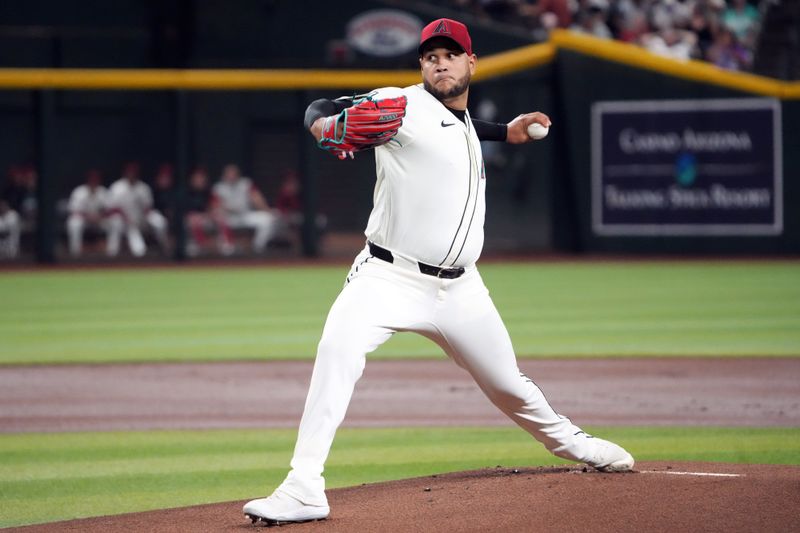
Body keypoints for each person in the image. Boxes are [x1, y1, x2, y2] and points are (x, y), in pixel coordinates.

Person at [243, 18, 634, 526]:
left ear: (471, 63)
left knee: (508, 384)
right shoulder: (399, 105)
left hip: (461, 291)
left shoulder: (465, 122)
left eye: (451, 54)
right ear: (421, 65)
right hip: (388, 277)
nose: (440, 62)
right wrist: (324, 124)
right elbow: (324, 114)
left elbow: (458, 130)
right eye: (431, 56)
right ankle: (303, 486)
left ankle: (574, 443)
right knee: (337, 350)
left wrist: (506, 132)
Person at [211, 164, 277, 254]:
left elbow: (256, 198)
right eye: (229, 174)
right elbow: (215, 206)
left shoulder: (245, 183)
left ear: (238, 174)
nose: (231, 176)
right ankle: (227, 248)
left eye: (233, 174)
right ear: (224, 175)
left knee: (269, 218)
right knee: (220, 219)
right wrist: (225, 210)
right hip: (229, 217)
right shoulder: (219, 187)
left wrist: (266, 209)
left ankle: (257, 246)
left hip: (245, 215)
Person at [106, 162, 169, 257]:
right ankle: (112, 253)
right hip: (125, 222)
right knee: (139, 250)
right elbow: (112, 209)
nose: (131, 174)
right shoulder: (117, 187)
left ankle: (165, 248)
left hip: (140, 219)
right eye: (129, 172)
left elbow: (148, 208)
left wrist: (143, 217)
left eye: (133, 172)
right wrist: (127, 219)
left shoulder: (143, 187)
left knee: (159, 221)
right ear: (125, 173)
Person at [185, 166, 235, 256]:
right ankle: (199, 245)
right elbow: (183, 211)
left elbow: (215, 205)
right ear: (192, 179)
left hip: (206, 218)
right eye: (197, 178)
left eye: (201, 177)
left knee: (220, 216)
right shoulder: (186, 192)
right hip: (190, 221)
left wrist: (210, 213)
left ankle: (227, 244)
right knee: (193, 219)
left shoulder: (208, 191)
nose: (199, 180)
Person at [65, 169, 112, 256]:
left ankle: (112, 253)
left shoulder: (103, 192)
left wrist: (100, 216)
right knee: (74, 223)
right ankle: (75, 253)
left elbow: (110, 210)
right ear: (88, 180)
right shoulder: (79, 192)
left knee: (115, 222)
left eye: (96, 180)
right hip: (84, 220)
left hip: (100, 221)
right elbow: (74, 211)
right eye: (92, 180)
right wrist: (88, 217)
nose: (93, 182)